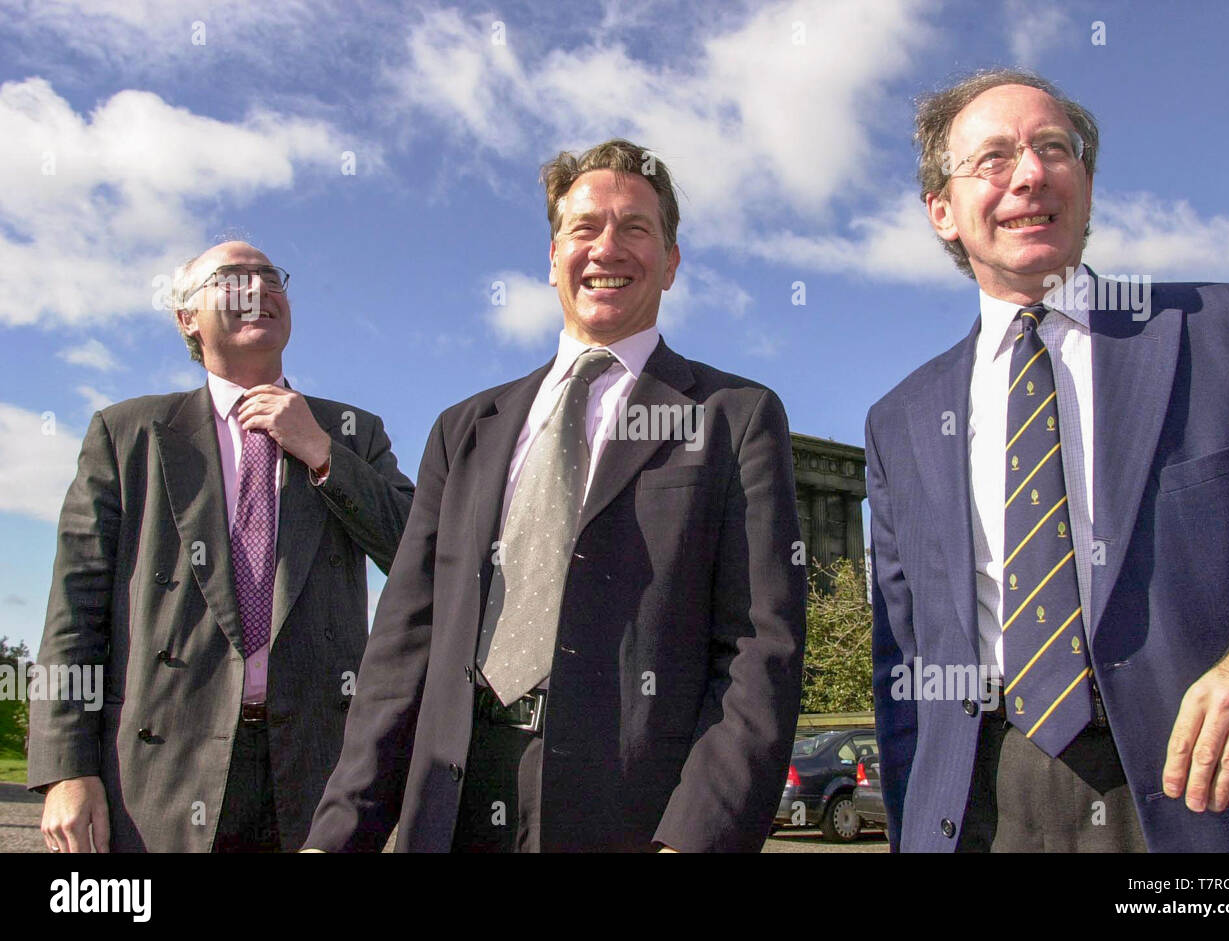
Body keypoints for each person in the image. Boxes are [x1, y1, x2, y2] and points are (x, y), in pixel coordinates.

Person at [304, 139, 806, 853]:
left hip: (628, 813)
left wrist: (694, 841)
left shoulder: (736, 416)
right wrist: (338, 833)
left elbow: (761, 651)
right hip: (452, 808)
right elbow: (402, 646)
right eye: (585, 227)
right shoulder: (463, 430)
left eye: (636, 228)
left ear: (671, 263)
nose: (608, 247)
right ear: (551, 258)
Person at [866, 68, 1229, 852]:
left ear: (1088, 185)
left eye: (1053, 149)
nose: (1029, 174)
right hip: (981, 806)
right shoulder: (898, 420)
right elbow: (905, 667)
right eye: (993, 158)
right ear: (942, 211)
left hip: (1199, 798)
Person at [28, 240, 415, 852]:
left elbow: (417, 557)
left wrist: (321, 454)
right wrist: (65, 769)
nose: (259, 287)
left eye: (271, 276)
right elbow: (73, 613)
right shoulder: (127, 433)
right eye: (234, 279)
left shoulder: (350, 431)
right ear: (187, 317)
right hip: (160, 774)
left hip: (316, 770)